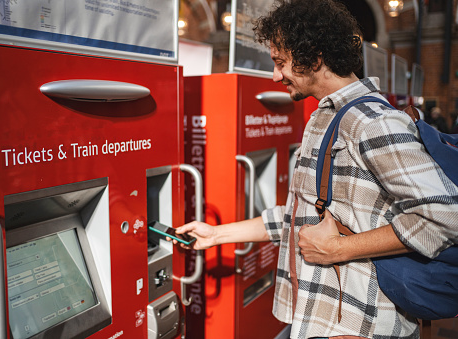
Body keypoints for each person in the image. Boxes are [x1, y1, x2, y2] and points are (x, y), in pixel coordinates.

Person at [174, 0, 458, 338]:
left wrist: (341, 249)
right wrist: (218, 235)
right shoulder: (329, 117)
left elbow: (446, 215)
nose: (275, 75)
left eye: (280, 63)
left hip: (356, 326)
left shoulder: (372, 123)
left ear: (314, 56)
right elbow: (304, 216)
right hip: (317, 318)